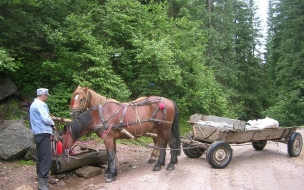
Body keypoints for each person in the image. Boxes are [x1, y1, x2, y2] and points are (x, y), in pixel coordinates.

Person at [30, 88, 55, 190]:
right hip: (43, 133)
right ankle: (43, 185)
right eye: (46, 95)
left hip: (37, 133)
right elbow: (45, 119)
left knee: (40, 157)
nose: (47, 97)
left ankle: (41, 180)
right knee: (46, 158)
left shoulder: (33, 104)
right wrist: (53, 124)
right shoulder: (40, 104)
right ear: (43, 95)